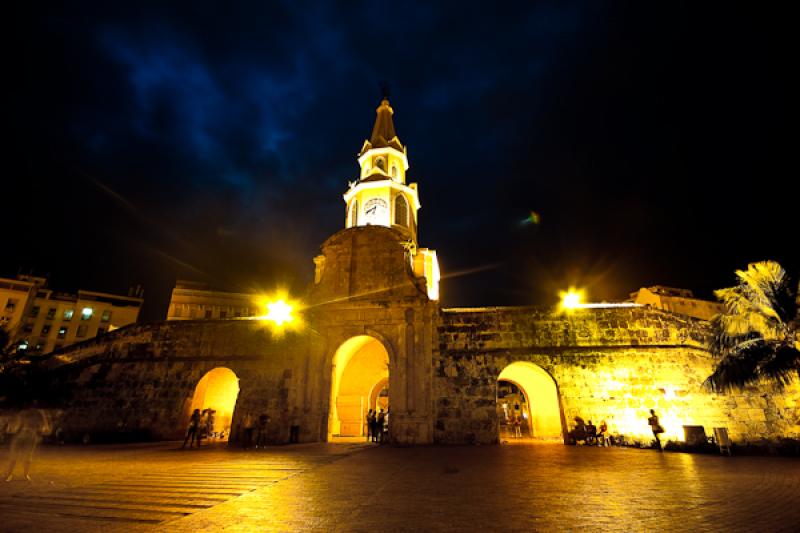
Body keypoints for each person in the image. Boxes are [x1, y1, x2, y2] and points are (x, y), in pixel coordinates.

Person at [4, 404, 50, 482]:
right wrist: (12, 429)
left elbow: (45, 427)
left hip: (30, 435)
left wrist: (41, 430)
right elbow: (19, 425)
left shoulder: (38, 413)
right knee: (15, 456)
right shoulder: (24, 413)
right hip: (23, 435)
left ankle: (24, 474)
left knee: (27, 456)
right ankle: (10, 474)